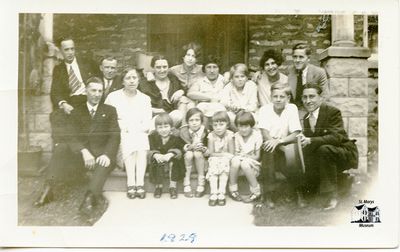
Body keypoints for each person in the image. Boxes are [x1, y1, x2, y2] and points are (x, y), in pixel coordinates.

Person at [34, 77, 120, 214]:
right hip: (81, 155)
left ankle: (90, 197)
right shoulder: (77, 111)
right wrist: (83, 151)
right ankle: (48, 190)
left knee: (104, 164)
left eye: (100, 91)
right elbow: (70, 135)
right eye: (93, 90)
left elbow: (115, 135)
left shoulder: (110, 110)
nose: (97, 94)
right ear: (86, 91)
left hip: (101, 154)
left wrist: (107, 154)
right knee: (61, 147)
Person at [299, 84, 358, 210]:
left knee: (323, 150)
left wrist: (310, 140)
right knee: (307, 152)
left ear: (321, 98)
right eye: (305, 97)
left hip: (343, 152)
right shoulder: (306, 118)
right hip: (325, 154)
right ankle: (343, 181)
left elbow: (337, 137)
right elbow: (312, 142)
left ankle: (332, 196)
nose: (308, 101)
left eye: (312, 96)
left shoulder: (332, 111)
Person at [105, 67, 152, 199]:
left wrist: (138, 129)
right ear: (122, 81)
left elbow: (147, 120)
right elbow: (108, 118)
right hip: (121, 134)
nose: (131, 81)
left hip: (139, 133)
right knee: (128, 138)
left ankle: (140, 183)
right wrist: (124, 127)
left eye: (134, 78)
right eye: (128, 78)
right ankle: (131, 182)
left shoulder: (145, 99)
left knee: (140, 138)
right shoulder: (113, 97)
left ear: (138, 80)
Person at [258, 83, 304, 209]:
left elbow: (296, 133)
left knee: (294, 153)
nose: (278, 99)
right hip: (270, 144)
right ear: (271, 97)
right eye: (275, 96)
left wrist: (280, 142)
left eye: (282, 96)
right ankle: (268, 194)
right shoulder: (264, 110)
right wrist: (275, 143)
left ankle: (298, 192)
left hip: (286, 143)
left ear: (288, 98)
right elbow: (264, 133)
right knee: (268, 149)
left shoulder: (292, 108)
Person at [50, 37, 98, 142]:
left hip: (88, 100)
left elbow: (99, 80)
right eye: (66, 50)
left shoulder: (87, 63)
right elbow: (55, 92)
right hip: (71, 104)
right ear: (61, 51)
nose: (70, 52)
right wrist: (63, 104)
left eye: (72, 49)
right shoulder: (58, 69)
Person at [139, 55, 186, 127]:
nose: (162, 70)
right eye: (158, 67)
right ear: (153, 68)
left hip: (171, 117)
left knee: (178, 114)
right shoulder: (145, 83)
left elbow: (185, 89)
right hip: (153, 117)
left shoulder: (173, 80)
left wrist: (181, 91)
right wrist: (154, 110)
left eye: (164, 67)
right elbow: (138, 104)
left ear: (168, 67)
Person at [148, 113, 185, 199]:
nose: (163, 130)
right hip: (159, 157)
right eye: (160, 127)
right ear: (156, 129)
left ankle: (173, 186)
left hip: (171, 158)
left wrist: (171, 153)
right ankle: (159, 186)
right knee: (158, 161)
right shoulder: (153, 136)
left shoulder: (175, 136)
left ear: (171, 127)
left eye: (166, 126)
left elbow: (180, 149)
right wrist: (156, 155)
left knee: (175, 162)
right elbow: (150, 149)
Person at [229, 111, 263, 203]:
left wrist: (246, 157)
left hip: (253, 166)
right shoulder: (236, 136)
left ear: (251, 125)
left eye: (246, 126)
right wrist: (241, 157)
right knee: (235, 160)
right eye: (240, 126)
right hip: (238, 165)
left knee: (244, 163)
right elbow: (235, 154)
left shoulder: (257, 135)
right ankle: (233, 189)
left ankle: (256, 191)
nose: (243, 130)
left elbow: (257, 156)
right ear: (237, 126)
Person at [187, 55, 226, 127]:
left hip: (220, 112)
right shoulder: (200, 81)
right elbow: (190, 93)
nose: (212, 71)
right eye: (208, 67)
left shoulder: (224, 80)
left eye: (215, 67)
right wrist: (210, 97)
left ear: (219, 69)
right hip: (204, 111)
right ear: (204, 69)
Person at [206, 111, 234, 206]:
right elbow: (211, 153)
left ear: (227, 124)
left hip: (226, 160)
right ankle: (213, 193)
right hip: (215, 159)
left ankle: (221, 193)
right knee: (213, 164)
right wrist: (223, 155)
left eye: (221, 124)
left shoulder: (230, 135)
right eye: (215, 125)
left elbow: (231, 153)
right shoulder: (211, 135)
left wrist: (222, 156)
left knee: (224, 164)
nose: (218, 128)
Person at [287, 43, 329, 107]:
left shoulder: (319, 72)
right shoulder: (289, 71)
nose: (297, 60)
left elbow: (324, 97)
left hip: (312, 110)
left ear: (308, 58)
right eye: (295, 57)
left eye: (301, 57)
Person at [180, 108, 209, 198]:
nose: (194, 123)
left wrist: (203, 148)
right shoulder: (183, 132)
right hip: (188, 163)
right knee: (189, 154)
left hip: (201, 162)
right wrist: (190, 147)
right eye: (191, 120)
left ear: (201, 121)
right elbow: (180, 148)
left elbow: (209, 152)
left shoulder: (205, 132)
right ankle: (186, 182)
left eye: (197, 120)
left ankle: (201, 183)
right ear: (187, 122)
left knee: (197, 153)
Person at [220, 63, 258, 131]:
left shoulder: (251, 86)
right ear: (232, 78)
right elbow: (224, 101)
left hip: (248, 113)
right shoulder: (228, 86)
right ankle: (239, 134)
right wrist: (231, 106)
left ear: (246, 77)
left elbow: (253, 105)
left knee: (254, 118)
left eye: (242, 76)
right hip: (234, 114)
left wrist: (242, 109)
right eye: (236, 77)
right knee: (228, 116)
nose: (240, 79)